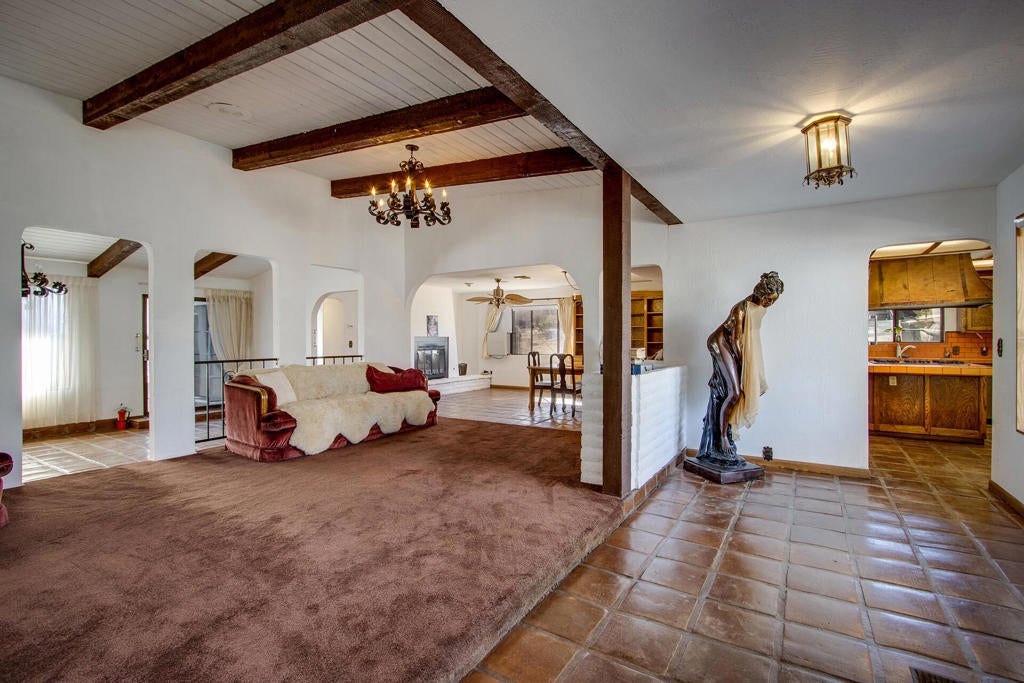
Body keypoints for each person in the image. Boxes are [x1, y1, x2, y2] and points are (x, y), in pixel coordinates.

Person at [697, 271, 784, 467]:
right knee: (734, 392)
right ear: (761, 292)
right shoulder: (741, 309)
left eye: (773, 301)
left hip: (733, 346)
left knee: (738, 390)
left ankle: (724, 431)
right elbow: (736, 341)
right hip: (720, 343)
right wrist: (744, 365)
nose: (769, 303)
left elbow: (750, 338)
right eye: (768, 299)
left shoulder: (759, 309)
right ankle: (722, 438)